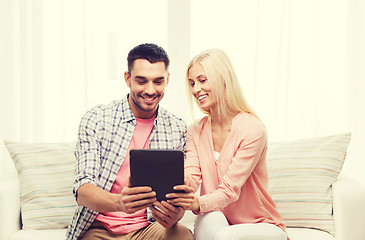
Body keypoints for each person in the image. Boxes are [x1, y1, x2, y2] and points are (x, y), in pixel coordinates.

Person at [66, 43, 194, 240]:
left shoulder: (178, 129)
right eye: (141, 81)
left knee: (182, 235)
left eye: (158, 81)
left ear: (167, 80)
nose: (150, 90)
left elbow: (176, 197)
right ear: (128, 79)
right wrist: (120, 203)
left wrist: (175, 214)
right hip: (100, 230)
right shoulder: (97, 119)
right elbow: (83, 190)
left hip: (149, 228)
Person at [168, 49, 289, 240]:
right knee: (209, 221)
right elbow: (192, 176)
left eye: (202, 80)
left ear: (223, 79)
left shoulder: (252, 129)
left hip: (260, 224)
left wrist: (196, 203)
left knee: (224, 236)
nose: (195, 89)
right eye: (192, 83)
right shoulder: (195, 130)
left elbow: (229, 191)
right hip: (219, 219)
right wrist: (172, 180)